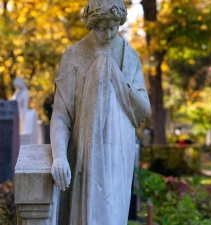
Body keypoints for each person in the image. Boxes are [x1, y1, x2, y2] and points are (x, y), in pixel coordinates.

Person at [50, 0, 150, 224]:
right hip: (84, 151)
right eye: (101, 28)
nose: (107, 35)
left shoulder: (129, 55)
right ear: (91, 24)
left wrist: (118, 81)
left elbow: (144, 109)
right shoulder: (73, 56)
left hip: (119, 150)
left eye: (114, 28)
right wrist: (59, 157)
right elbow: (61, 115)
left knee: (113, 212)